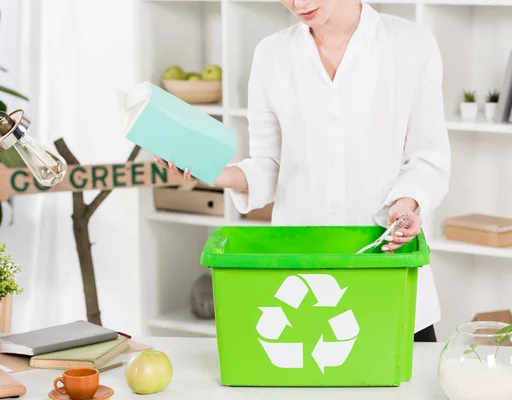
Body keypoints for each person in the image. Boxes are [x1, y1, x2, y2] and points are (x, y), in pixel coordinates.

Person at [155, 0, 451, 342]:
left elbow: (427, 157)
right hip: (303, 281)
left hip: (387, 271)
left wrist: (407, 203)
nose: (299, 3)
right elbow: (269, 166)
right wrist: (212, 173)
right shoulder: (272, 55)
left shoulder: (411, 44)